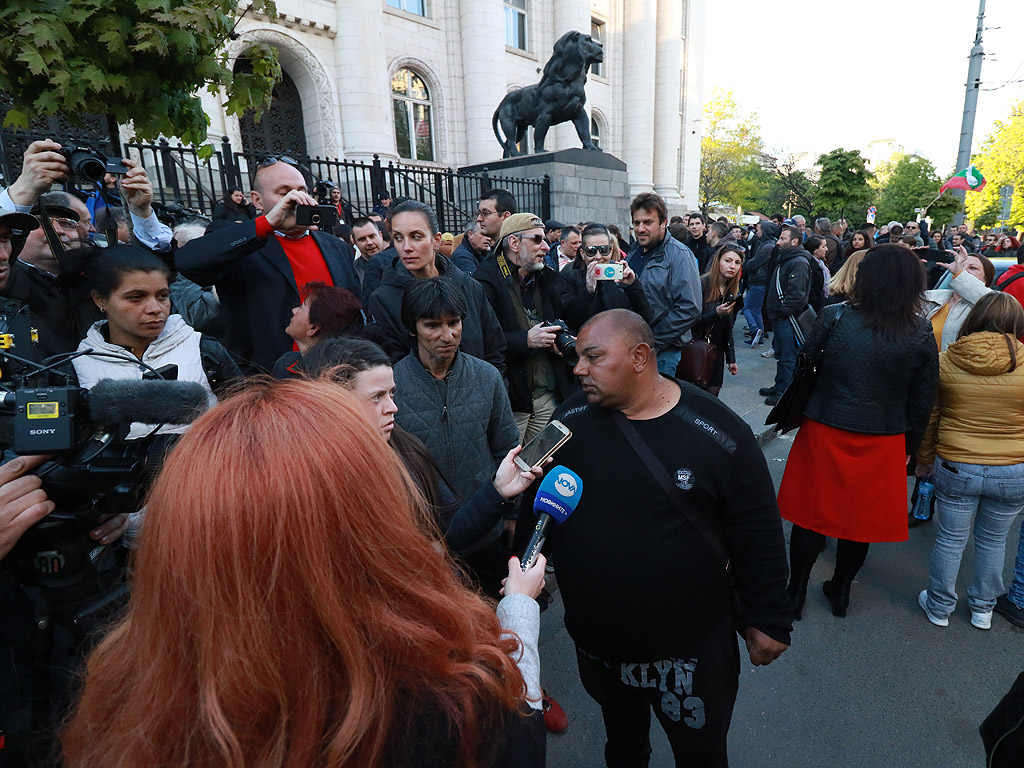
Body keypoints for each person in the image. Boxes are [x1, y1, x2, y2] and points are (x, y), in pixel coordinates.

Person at [61, 377, 548, 768]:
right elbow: (517, 725)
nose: (391, 408)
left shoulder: (127, 709)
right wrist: (518, 612)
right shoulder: (447, 708)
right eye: (375, 397)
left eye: (392, 395)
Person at [514, 309, 791, 767]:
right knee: (623, 746)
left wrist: (768, 616)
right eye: (578, 357)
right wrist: (523, 578)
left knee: (700, 754)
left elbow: (757, 529)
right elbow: (534, 505)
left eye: (593, 357)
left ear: (641, 357)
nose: (578, 368)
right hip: (599, 644)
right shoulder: (568, 418)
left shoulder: (720, 433)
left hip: (690, 653)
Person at [778, 245, 939, 619]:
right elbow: (922, 398)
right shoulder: (920, 331)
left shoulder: (835, 316)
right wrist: (911, 450)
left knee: (809, 514)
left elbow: (806, 362)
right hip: (882, 436)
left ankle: (795, 591)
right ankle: (841, 590)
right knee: (860, 520)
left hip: (825, 425)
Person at [175, 156, 360, 372]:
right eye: (284, 193)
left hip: (335, 373)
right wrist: (267, 225)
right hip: (267, 379)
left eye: (302, 190)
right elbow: (187, 263)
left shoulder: (335, 247)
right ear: (257, 200)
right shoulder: (240, 240)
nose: (297, 198)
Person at [914, 293, 1024, 630]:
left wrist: (924, 458)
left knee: (950, 538)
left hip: (957, 462)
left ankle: (939, 606)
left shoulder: (946, 359)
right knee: (994, 540)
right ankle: (982, 609)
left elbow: (932, 415)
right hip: (1013, 467)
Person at [72, 245, 239, 440]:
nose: (155, 308)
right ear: (100, 299)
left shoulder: (205, 350)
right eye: (136, 298)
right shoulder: (77, 364)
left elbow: (246, 420)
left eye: (162, 296)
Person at [369, 200, 505, 369]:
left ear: (436, 240)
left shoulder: (470, 287)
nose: (406, 247)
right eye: (398, 238)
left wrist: (492, 389)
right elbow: (392, 367)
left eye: (416, 236)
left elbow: (494, 349)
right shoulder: (383, 299)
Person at [474, 212, 574, 441]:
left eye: (546, 241)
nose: (547, 247)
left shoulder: (546, 277)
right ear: (514, 242)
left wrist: (556, 340)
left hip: (547, 397)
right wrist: (526, 341)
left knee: (542, 465)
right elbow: (481, 343)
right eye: (537, 239)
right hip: (512, 402)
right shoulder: (485, 281)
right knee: (513, 468)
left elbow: (563, 317)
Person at [625, 192, 702, 376]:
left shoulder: (679, 255)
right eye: (637, 223)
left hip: (662, 353)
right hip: (633, 348)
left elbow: (690, 308)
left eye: (648, 222)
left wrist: (653, 340)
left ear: (663, 223)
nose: (641, 229)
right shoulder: (634, 253)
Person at [554, 223, 651, 330]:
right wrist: (587, 292)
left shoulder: (621, 275)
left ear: (611, 251)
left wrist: (632, 286)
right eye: (591, 251)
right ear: (582, 253)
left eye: (604, 250)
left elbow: (645, 317)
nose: (598, 257)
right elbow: (567, 320)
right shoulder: (569, 276)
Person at [761, 226, 812, 405]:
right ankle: (779, 385)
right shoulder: (789, 259)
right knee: (782, 354)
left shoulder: (798, 261)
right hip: (781, 316)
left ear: (794, 241)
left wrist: (783, 312)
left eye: (783, 239)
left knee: (788, 357)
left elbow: (796, 294)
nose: (778, 241)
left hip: (787, 318)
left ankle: (784, 393)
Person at [272, 282, 364, 378]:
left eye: (301, 308)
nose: (294, 310)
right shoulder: (287, 363)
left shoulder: (338, 379)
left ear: (313, 327)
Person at [691, 244, 742, 397]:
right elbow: (690, 321)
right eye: (728, 260)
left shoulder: (731, 290)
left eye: (737, 262)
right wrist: (716, 313)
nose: (732, 266)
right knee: (696, 397)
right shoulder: (702, 285)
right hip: (698, 348)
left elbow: (728, 328)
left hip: (717, 352)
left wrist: (731, 359)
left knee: (712, 397)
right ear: (717, 261)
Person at [922, 248, 995, 351]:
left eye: (972, 268)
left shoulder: (989, 304)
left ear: (985, 280)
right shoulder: (931, 297)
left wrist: (960, 273)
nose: (962, 270)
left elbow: (993, 302)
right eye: (961, 265)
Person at [741, 220, 778, 348]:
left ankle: (755, 331)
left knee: (747, 308)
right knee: (754, 309)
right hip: (759, 281)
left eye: (760, 229)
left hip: (759, 281)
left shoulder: (767, 247)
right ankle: (759, 336)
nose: (757, 232)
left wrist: (748, 264)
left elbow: (752, 263)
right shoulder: (766, 244)